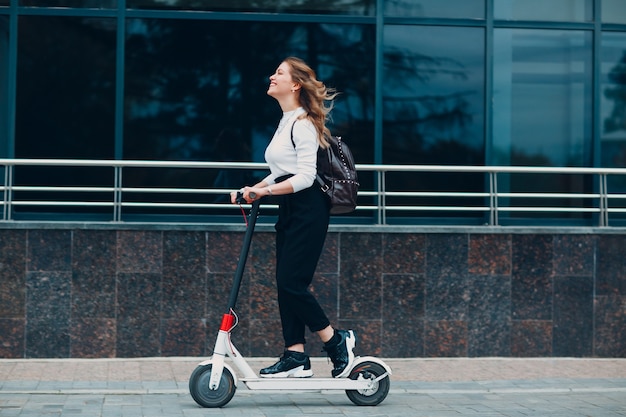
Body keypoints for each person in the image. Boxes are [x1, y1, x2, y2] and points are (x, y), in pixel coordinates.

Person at [230, 57, 356, 379]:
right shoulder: (287, 120)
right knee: (286, 283)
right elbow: (280, 172)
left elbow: (304, 177)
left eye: (279, 73)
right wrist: (252, 188)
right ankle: (295, 355)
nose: (271, 76)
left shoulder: (302, 124)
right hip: (290, 210)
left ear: (295, 84)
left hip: (308, 210)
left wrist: (265, 193)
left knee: (291, 282)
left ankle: (335, 340)